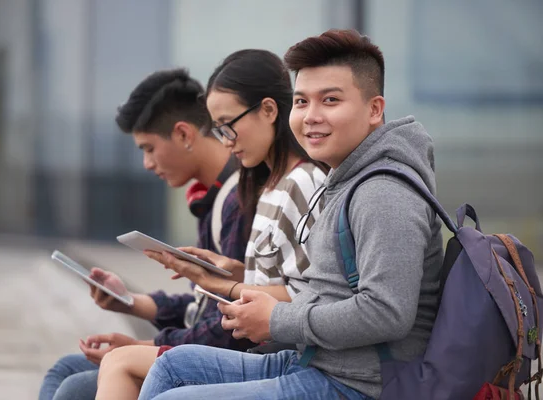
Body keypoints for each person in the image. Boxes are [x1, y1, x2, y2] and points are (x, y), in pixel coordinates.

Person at [138, 29, 444, 400]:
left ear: (374, 109)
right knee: (172, 366)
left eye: (330, 100)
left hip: (358, 386)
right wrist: (236, 279)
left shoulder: (383, 192)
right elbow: (325, 289)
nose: (311, 116)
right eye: (301, 102)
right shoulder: (344, 179)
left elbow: (386, 313)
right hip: (315, 361)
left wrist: (275, 319)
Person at [95, 49, 328, 400]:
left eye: (228, 125)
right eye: (219, 129)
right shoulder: (267, 187)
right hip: (266, 351)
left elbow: (310, 297)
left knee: (122, 367)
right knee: (116, 366)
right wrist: (225, 276)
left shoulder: (302, 184)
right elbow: (279, 284)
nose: (226, 139)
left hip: (279, 355)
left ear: (268, 110)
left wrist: (228, 286)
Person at [38, 68, 253, 400]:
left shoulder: (236, 201)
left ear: (183, 134)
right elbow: (204, 306)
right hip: (202, 349)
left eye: (149, 148)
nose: (146, 164)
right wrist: (130, 302)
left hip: (221, 362)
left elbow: (228, 327)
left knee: (73, 387)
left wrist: (141, 346)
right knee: (67, 369)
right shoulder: (210, 198)